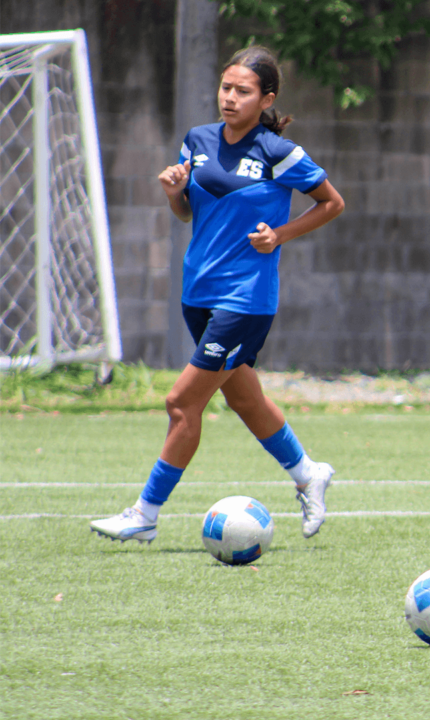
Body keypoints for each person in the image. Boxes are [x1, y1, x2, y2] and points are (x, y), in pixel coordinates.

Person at [90, 47, 345, 544]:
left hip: (245, 299)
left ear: (266, 98)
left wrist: (281, 235)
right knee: (245, 399)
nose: (230, 98)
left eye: (243, 91)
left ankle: (145, 513)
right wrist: (172, 193)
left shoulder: (278, 152)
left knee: (181, 402)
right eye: (226, 88)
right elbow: (188, 214)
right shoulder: (198, 140)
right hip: (198, 293)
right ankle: (308, 473)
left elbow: (332, 203)